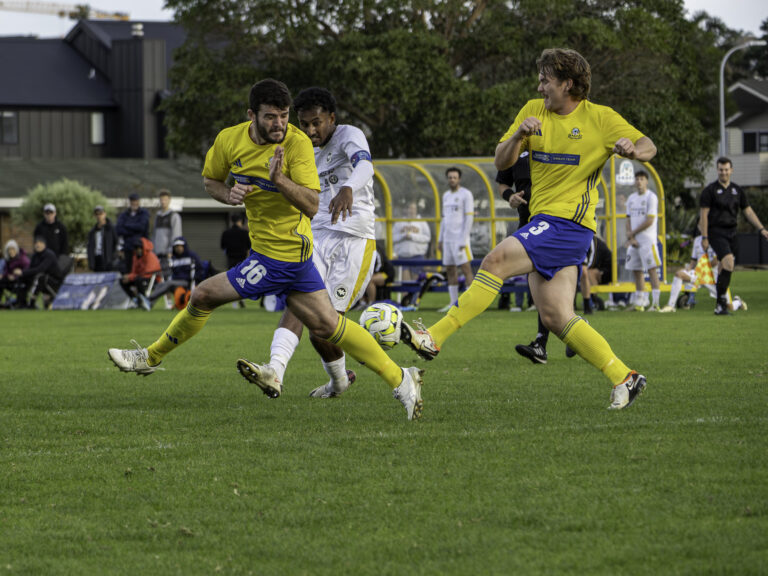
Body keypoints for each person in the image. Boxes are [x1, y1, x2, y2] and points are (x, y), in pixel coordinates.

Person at [107, 79, 424, 420]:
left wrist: (279, 180)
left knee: (202, 295)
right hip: (291, 256)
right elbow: (211, 180)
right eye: (272, 117)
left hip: (282, 255)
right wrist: (227, 194)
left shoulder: (297, 145)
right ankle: (401, 378)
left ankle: (150, 357)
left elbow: (312, 203)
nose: (280, 125)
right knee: (328, 326)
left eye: (284, 116)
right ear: (251, 115)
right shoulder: (229, 139)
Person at [400, 48, 657, 410]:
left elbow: (649, 146)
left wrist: (632, 149)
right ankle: (625, 376)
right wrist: (519, 135)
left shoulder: (600, 117)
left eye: (545, 80)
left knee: (495, 260)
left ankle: (433, 337)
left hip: (569, 224)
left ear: (567, 84)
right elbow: (501, 160)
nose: (539, 86)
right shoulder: (531, 111)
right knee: (555, 316)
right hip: (543, 222)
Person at [253, 87, 378, 399]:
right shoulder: (296, 146)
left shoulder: (349, 134)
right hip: (316, 238)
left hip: (355, 239)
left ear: (331, 119)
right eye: (305, 124)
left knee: (324, 326)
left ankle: (356, 378)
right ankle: (275, 371)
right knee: (299, 304)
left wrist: (348, 187)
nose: (311, 130)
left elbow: (365, 165)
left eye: (317, 123)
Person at [699, 156, 768, 315]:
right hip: (716, 232)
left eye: (726, 169)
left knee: (724, 268)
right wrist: (704, 237)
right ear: (717, 170)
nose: (723, 172)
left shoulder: (737, 190)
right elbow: (704, 215)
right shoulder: (710, 191)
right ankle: (722, 301)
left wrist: (761, 229)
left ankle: (719, 306)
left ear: (731, 170)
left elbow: (748, 211)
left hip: (732, 233)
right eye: (720, 170)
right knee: (728, 262)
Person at [438, 167, 474, 312]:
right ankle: (453, 303)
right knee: (450, 269)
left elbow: (469, 217)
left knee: (466, 269)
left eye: (454, 177)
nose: (452, 179)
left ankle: (470, 303)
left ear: (459, 179)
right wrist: (440, 238)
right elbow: (444, 219)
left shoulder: (466, 194)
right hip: (447, 239)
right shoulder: (446, 195)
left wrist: (463, 239)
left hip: (460, 239)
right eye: (450, 177)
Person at [625, 170, 661, 311]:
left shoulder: (651, 197)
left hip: (647, 241)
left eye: (642, 179)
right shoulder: (631, 198)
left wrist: (632, 233)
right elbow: (628, 218)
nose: (639, 181)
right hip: (634, 241)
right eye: (637, 179)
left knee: (652, 270)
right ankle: (640, 302)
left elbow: (650, 220)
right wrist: (631, 236)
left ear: (646, 181)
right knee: (636, 270)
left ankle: (656, 303)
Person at [146, 236, 205, 307]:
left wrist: (195, 282)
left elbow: (200, 270)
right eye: (176, 246)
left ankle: (148, 299)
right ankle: (149, 304)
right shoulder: (174, 258)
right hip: (176, 282)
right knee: (160, 285)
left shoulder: (192, 256)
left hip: (188, 282)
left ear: (184, 246)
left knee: (169, 284)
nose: (178, 248)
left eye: (180, 246)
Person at [11, 236, 63, 308]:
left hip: (54, 281)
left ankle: (31, 303)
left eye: (40, 243)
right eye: (36, 243)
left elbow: (40, 269)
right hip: (41, 279)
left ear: (44, 245)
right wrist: (22, 273)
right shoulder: (35, 255)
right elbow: (31, 268)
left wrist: (22, 272)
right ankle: (21, 302)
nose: (38, 245)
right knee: (23, 278)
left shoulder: (49, 255)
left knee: (39, 277)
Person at [119, 237, 162, 310]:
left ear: (143, 247)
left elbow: (148, 272)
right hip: (139, 277)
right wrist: (129, 277)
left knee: (138, 280)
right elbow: (134, 271)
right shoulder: (135, 257)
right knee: (122, 281)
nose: (137, 250)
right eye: (136, 248)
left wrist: (130, 277)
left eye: (139, 248)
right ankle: (136, 300)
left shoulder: (150, 256)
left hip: (152, 279)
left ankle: (145, 300)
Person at [392, 201, 431, 281]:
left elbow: (427, 238)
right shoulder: (399, 222)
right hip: (403, 256)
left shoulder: (422, 222)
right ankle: (406, 294)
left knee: (416, 283)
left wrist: (412, 236)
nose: (411, 210)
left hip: (417, 255)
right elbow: (392, 238)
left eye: (414, 208)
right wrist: (403, 236)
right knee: (405, 283)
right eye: (410, 208)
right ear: (406, 210)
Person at [220, 213, 251, 308]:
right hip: (242, 259)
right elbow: (249, 247)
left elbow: (222, 246)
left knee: (231, 279)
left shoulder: (226, 233)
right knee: (241, 279)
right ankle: (241, 298)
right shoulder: (244, 233)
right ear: (240, 221)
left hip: (230, 258)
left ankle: (234, 303)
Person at [116, 192, 151, 273]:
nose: (134, 203)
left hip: (140, 248)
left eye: (136, 201)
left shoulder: (143, 213)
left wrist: (127, 225)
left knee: (140, 270)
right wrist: (134, 229)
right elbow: (119, 229)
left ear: (139, 202)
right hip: (128, 248)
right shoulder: (124, 214)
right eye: (132, 201)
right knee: (129, 270)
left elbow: (141, 227)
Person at [580, 235, 612, 314]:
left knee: (588, 272)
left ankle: (593, 301)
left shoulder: (592, 241)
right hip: (597, 268)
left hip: (609, 271)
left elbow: (591, 263)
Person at [153, 189, 183, 268]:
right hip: (157, 255)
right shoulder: (157, 216)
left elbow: (176, 235)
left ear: (169, 200)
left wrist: (171, 250)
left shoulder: (174, 216)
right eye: (161, 199)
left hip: (168, 255)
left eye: (165, 199)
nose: (163, 202)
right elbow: (154, 235)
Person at [87, 205, 119, 272]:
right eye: (97, 214)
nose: (99, 216)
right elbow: (90, 248)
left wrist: (113, 257)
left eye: (100, 214)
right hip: (97, 260)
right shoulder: (92, 231)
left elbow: (116, 242)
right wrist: (91, 263)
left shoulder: (111, 228)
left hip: (108, 261)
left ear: (104, 214)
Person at [0, 240, 30, 305]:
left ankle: (20, 303)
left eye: (12, 249)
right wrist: (5, 275)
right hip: (11, 282)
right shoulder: (8, 260)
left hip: (21, 282)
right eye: (9, 250)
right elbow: (6, 271)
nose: (11, 251)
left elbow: (28, 270)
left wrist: (16, 275)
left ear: (16, 249)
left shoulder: (23, 259)